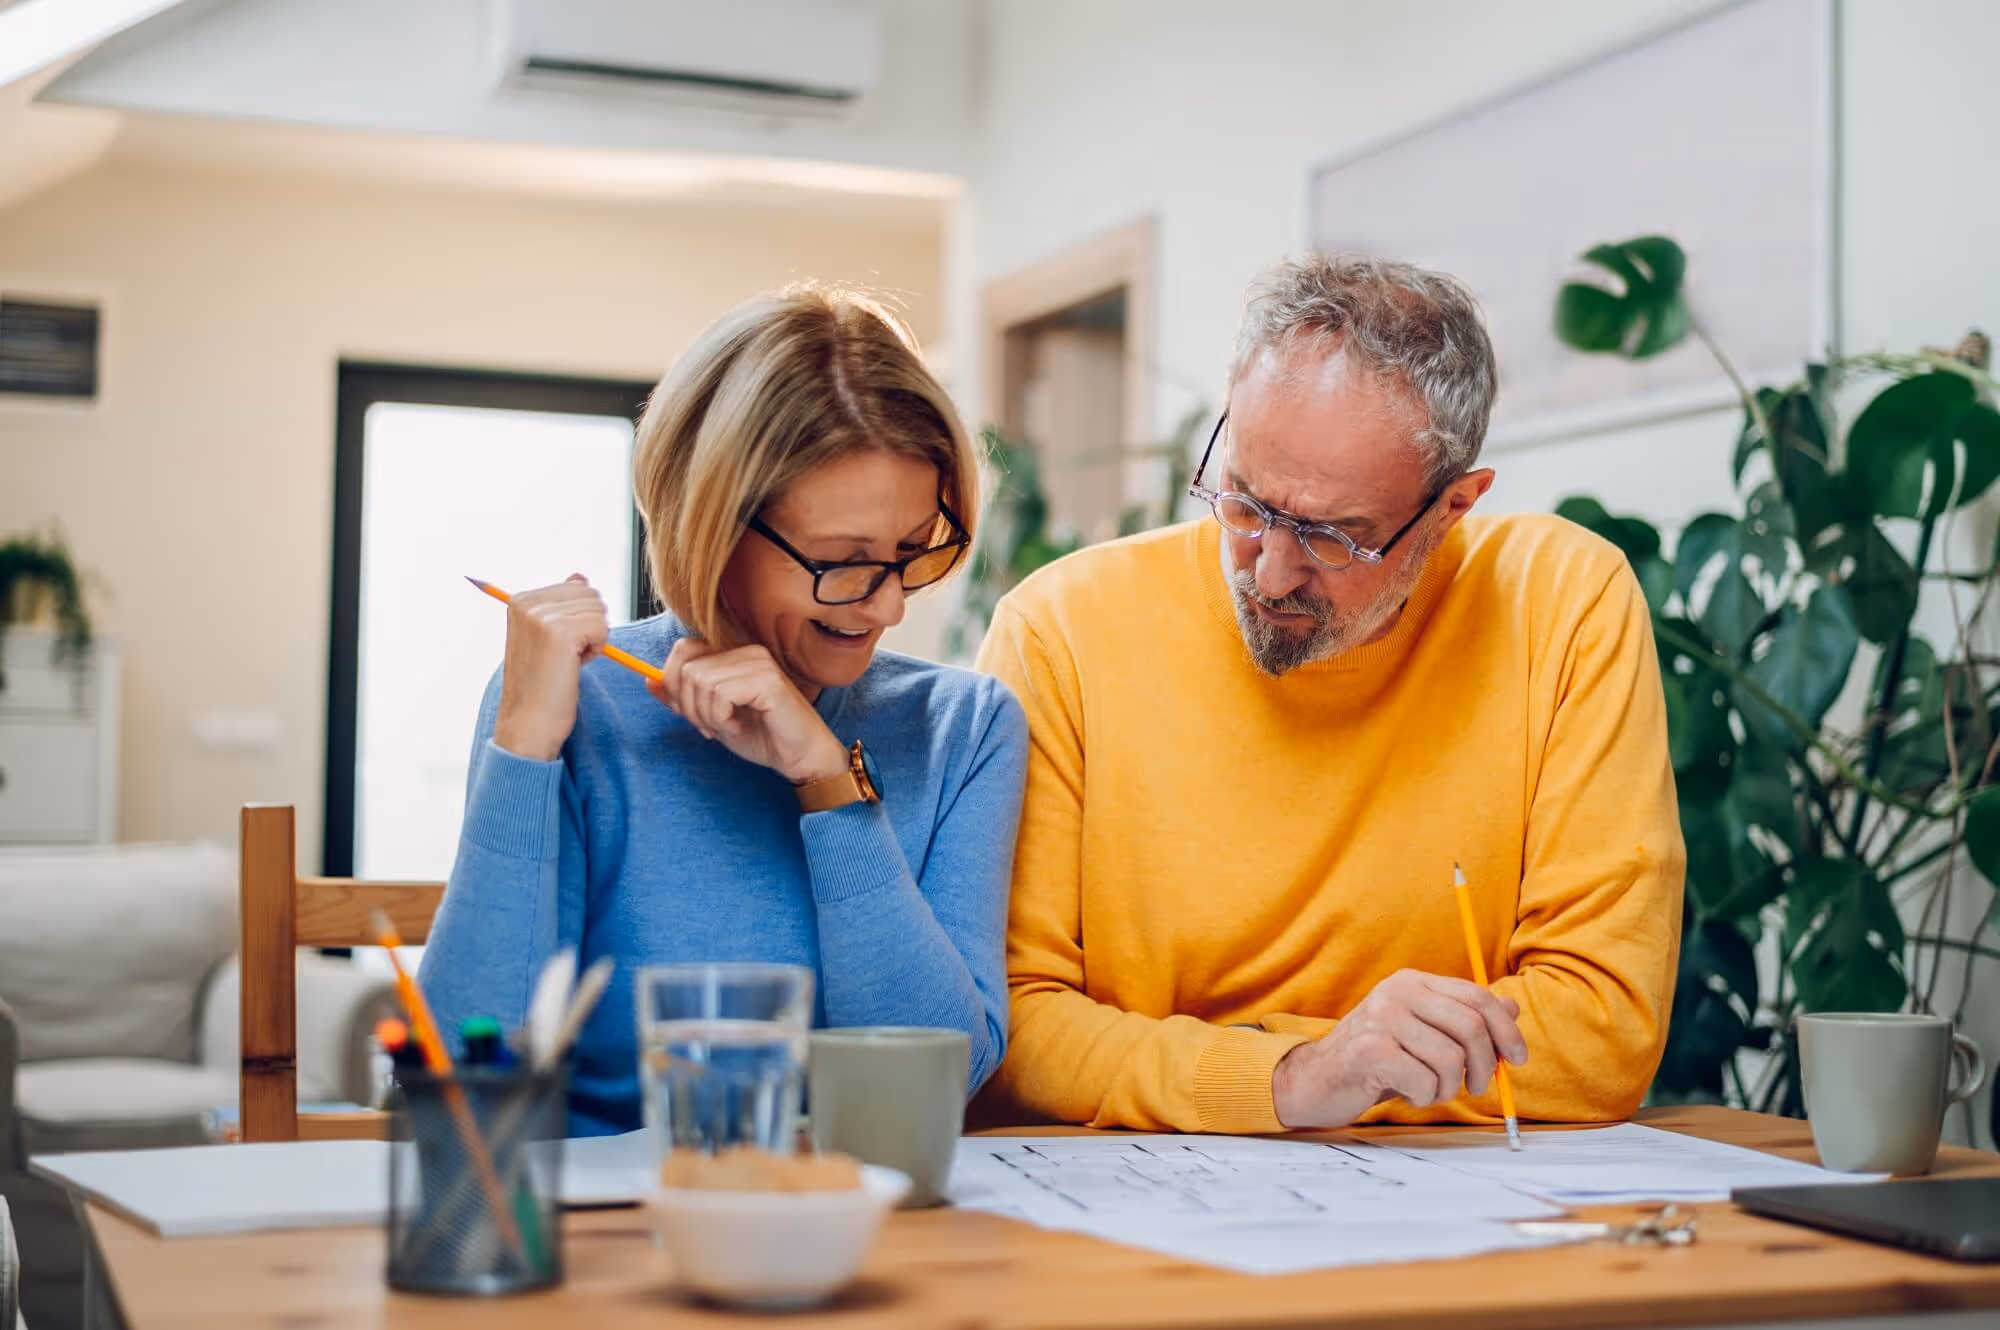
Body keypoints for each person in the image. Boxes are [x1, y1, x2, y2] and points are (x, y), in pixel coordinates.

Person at [975, 253, 1684, 1135]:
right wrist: (1297, 1076)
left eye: (1335, 538)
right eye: (1243, 502)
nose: (1269, 573)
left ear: (1453, 506)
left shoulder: (1562, 602)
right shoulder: (1060, 629)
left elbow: (1599, 1035)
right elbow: (1007, 1030)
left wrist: (1285, 1069)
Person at [421, 285, 1028, 1135]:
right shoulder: (578, 704)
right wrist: (523, 743)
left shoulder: (965, 728)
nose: (888, 609)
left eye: (910, 553)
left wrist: (826, 779)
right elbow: (466, 1074)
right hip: (609, 1233)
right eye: (843, 562)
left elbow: (942, 1076)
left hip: (873, 1220)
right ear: (711, 526)